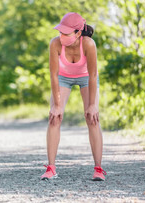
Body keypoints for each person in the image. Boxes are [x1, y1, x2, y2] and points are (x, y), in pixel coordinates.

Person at [40, 12, 107, 181]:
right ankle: (51, 168)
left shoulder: (89, 44)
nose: (61, 36)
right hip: (63, 77)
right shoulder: (55, 44)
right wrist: (56, 104)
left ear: (78, 33)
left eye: (66, 33)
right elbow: (54, 74)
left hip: (86, 77)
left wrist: (92, 105)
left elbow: (92, 75)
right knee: (54, 117)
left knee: (92, 117)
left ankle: (98, 168)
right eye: (60, 32)